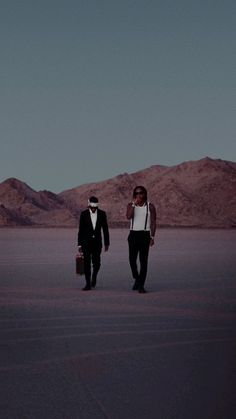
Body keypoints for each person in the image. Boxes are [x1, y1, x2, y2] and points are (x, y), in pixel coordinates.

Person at [126, 186, 156, 293]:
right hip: (133, 235)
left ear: (145, 194)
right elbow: (128, 217)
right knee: (132, 260)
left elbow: (153, 222)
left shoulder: (150, 206)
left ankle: (141, 285)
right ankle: (137, 278)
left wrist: (152, 237)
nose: (139, 195)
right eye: (137, 193)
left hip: (145, 235)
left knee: (143, 261)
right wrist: (134, 204)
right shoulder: (130, 205)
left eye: (141, 193)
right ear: (134, 195)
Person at [77, 196, 110, 290]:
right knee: (86, 263)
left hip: (97, 243)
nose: (94, 208)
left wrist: (107, 243)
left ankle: (94, 276)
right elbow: (81, 230)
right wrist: (79, 244)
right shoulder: (83, 214)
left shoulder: (102, 214)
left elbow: (105, 229)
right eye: (92, 206)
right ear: (89, 205)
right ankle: (88, 284)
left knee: (97, 263)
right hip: (86, 243)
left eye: (95, 206)